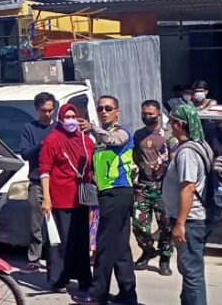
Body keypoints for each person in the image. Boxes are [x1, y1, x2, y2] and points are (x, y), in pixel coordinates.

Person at [84, 95, 138, 305]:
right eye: (100, 108)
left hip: (118, 193)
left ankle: (98, 294)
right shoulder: (99, 140)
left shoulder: (121, 132)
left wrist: (92, 128)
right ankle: (127, 293)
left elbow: (113, 141)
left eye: (108, 108)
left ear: (117, 112)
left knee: (104, 245)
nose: (103, 111)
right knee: (120, 246)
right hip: (107, 193)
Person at [39, 103, 94, 294]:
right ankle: (58, 279)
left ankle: (84, 279)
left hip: (82, 197)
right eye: (67, 117)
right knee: (61, 241)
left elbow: (92, 166)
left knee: (81, 241)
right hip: (60, 198)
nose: (71, 120)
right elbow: (44, 170)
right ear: (61, 118)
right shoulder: (53, 139)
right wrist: (46, 198)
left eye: (73, 116)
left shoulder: (86, 140)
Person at [164, 104, 213, 305]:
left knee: (192, 272)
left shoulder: (186, 153)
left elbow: (188, 188)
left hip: (190, 221)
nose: (168, 125)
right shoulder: (200, 145)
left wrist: (180, 224)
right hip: (194, 219)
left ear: (179, 125)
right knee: (189, 269)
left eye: (171, 121)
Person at [132, 100, 173, 277]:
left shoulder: (168, 135)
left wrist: (164, 166)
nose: (146, 116)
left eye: (150, 113)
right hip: (143, 185)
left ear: (158, 114)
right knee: (139, 224)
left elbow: (175, 158)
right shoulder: (138, 134)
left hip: (163, 187)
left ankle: (165, 258)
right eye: (144, 113)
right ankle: (147, 250)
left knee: (166, 225)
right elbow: (134, 156)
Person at [19, 91, 57, 272]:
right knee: (36, 223)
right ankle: (34, 258)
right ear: (37, 110)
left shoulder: (59, 127)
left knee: (56, 223)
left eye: (51, 110)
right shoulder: (29, 128)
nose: (48, 114)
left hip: (56, 183)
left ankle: (54, 259)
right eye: (44, 111)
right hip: (36, 181)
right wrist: (42, 145)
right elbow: (25, 153)